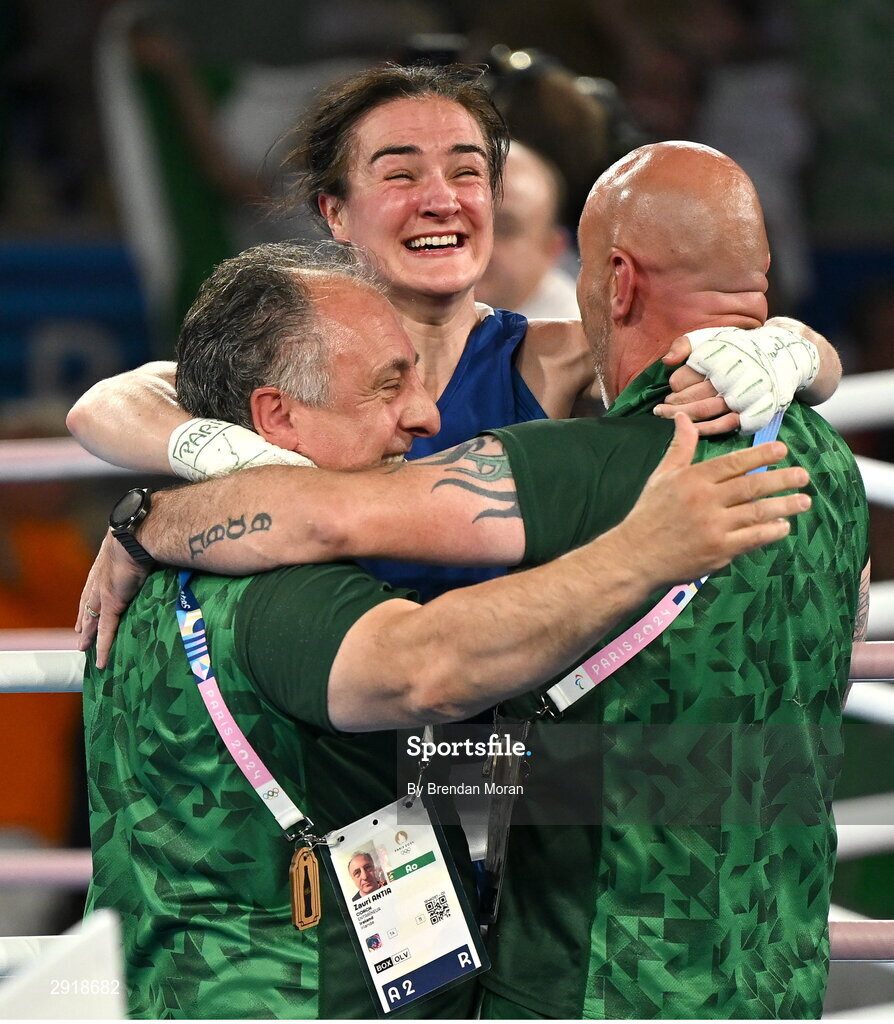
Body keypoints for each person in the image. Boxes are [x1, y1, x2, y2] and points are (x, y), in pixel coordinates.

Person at [80, 144, 869, 1020]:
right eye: (391, 384)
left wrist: (147, 522)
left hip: (594, 982)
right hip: (772, 967)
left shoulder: (594, 466)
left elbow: (352, 556)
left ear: (615, 279)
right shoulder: (829, 465)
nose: (425, 417)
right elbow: (428, 670)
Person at [67, 62, 842, 604]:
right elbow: (105, 404)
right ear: (335, 212)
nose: (442, 199)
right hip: (324, 752)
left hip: (502, 762)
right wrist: (213, 464)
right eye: (400, 174)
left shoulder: (554, 354)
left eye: (467, 172)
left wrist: (792, 348)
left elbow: (750, 350)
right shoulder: (288, 362)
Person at [475, 140, 580, 319]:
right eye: (463, 220)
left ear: (551, 249)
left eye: (504, 229)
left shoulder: (580, 340)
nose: (475, 242)